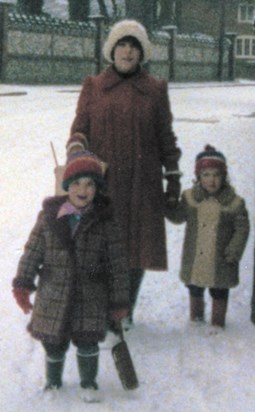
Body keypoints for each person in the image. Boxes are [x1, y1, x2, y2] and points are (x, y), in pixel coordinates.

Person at [66, 19, 182, 329]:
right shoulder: (94, 86)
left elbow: (165, 135)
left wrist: (173, 177)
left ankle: (125, 308)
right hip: (103, 182)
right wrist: (77, 151)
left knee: (137, 248)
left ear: (141, 52)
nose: (127, 51)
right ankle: (102, 306)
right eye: (122, 44)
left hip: (143, 183)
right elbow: (79, 128)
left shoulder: (155, 90)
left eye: (133, 45)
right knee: (101, 246)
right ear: (112, 50)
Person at [12, 150, 129, 402]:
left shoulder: (106, 222)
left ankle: (89, 382)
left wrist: (119, 301)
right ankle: (53, 381)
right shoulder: (48, 218)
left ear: (97, 188)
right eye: (76, 183)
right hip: (53, 291)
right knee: (53, 342)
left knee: (87, 342)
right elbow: (33, 252)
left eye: (90, 184)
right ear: (66, 186)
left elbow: (117, 264)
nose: (83, 189)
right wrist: (23, 283)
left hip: (91, 294)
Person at [165, 145, 249, 329]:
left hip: (222, 257)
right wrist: (167, 205)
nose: (211, 180)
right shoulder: (190, 198)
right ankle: (196, 318)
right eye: (206, 175)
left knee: (219, 290)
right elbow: (179, 217)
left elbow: (242, 228)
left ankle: (217, 324)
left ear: (224, 176)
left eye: (216, 175)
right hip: (195, 257)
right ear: (198, 177)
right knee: (195, 287)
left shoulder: (234, 202)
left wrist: (234, 250)